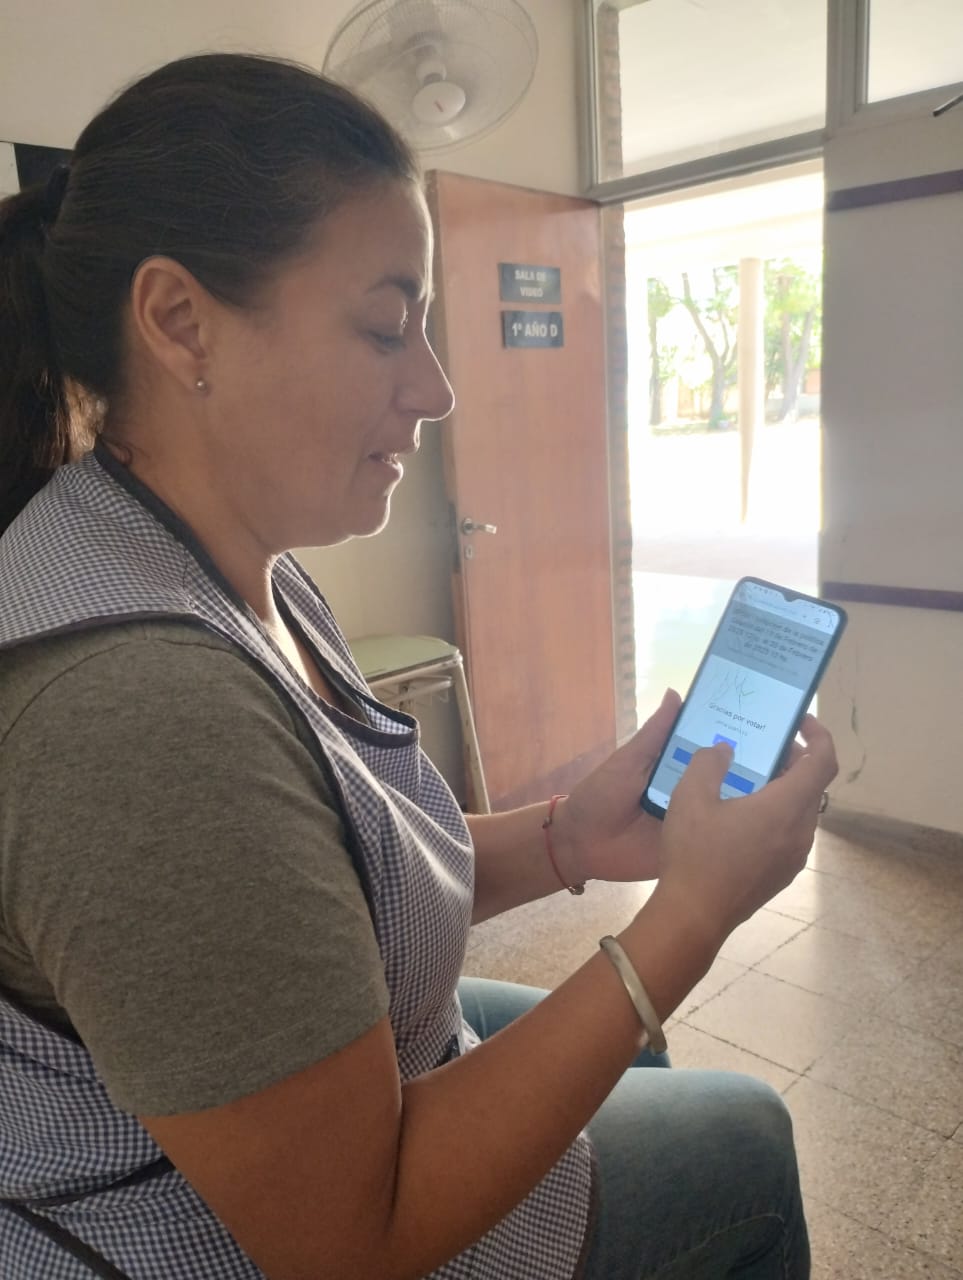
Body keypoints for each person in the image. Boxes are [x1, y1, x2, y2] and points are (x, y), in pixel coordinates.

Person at [0, 52, 837, 1280]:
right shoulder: (140, 721)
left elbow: (332, 879)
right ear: (180, 321)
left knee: (635, 1051)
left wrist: (568, 835)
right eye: (388, 326)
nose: (439, 389)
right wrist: (692, 915)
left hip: (340, 1085)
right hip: (230, 1235)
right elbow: (353, 1235)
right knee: (745, 1138)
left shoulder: (225, 557)